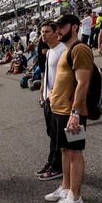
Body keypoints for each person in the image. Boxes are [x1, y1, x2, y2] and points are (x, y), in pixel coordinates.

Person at [45, 14, 93, 203]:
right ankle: (65, 189)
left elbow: (83, 83)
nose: (58, 31)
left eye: (62, 27)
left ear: (75, 27)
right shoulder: (66, 50)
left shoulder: (80, 49)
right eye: (57, 27)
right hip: (59, 111)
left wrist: (75, 113)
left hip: (72, 113)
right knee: (64, 150)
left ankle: (75, 197)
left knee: (74, 152)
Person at [36, 21, 65, 181]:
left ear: (56, 33)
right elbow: (47, 75)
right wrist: (43, 95)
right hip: (48, 99)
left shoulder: (63, 50)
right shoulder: (49, 52)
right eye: (42, 32)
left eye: (46, 31)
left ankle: (57, 166)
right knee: (52, 134)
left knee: (58, 136)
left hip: (58, 99)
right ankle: (51, 162)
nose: (43, 34)